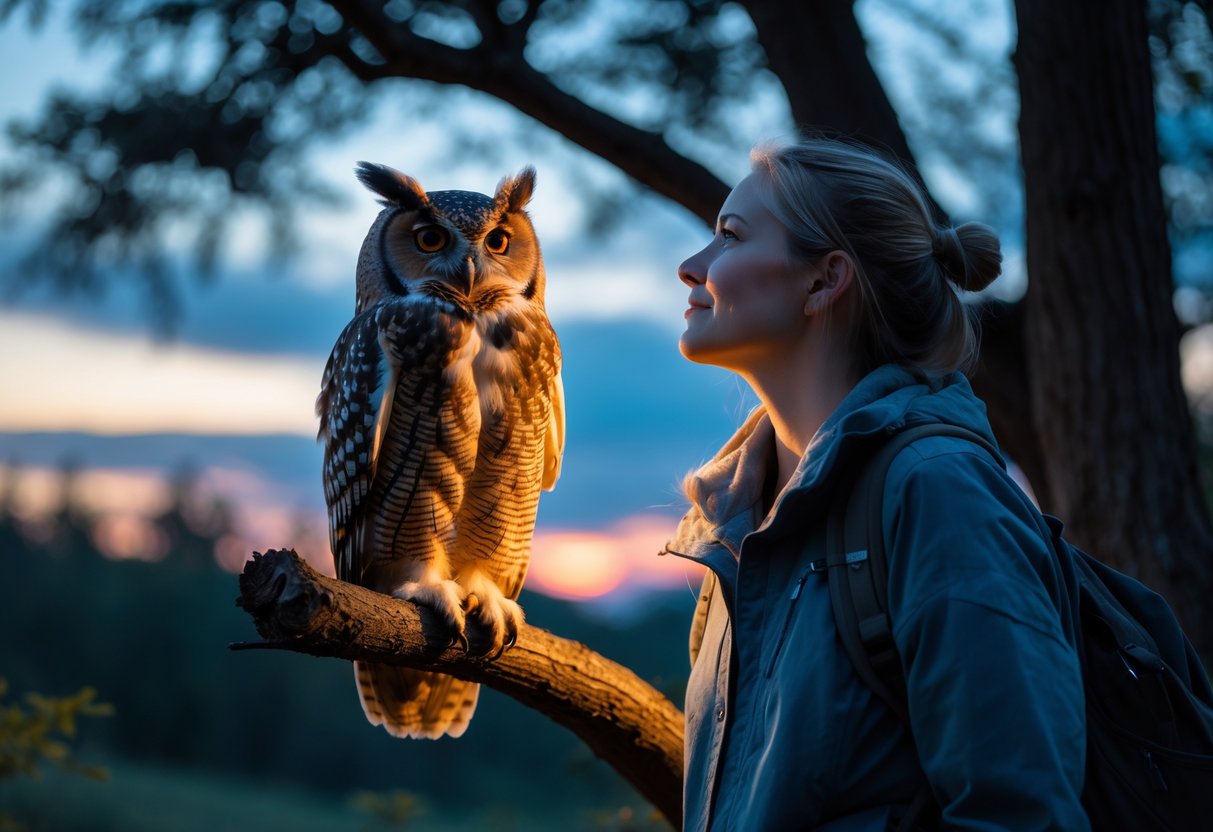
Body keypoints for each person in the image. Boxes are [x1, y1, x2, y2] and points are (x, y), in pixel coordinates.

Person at [664, 137, 1089, 831]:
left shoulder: (937, 494)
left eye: (729, 237)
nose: (690, 267)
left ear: (823, 281)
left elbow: (1021, 812)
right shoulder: (734, 526)